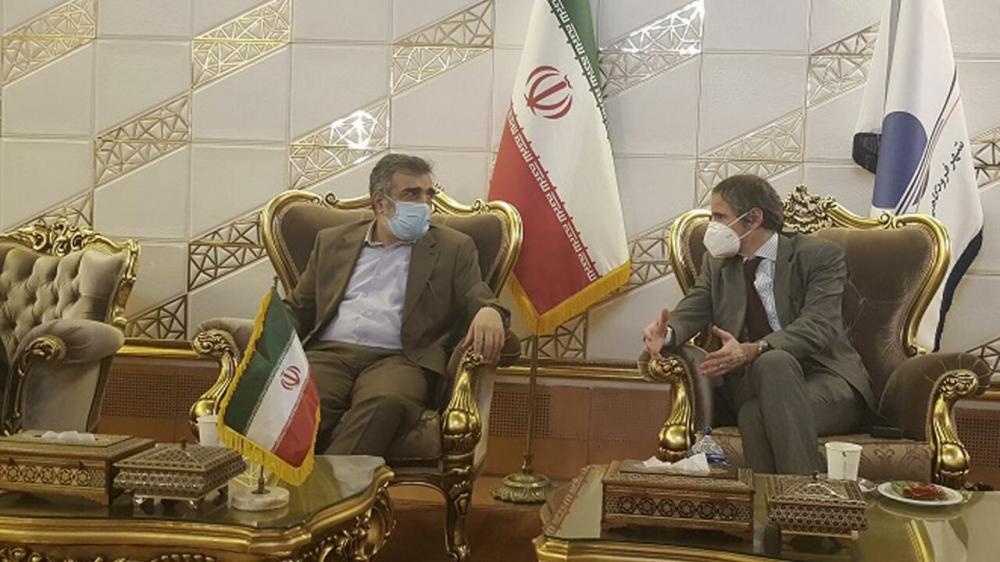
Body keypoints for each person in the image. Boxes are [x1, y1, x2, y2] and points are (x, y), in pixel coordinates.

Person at [642, 174, 876, 474]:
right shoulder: (717, 264)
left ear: (753, 219)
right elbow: (695, 305)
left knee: (763, 390)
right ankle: (796, 497)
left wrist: (755, 349)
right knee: (758, 401)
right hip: (755, 385)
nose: (711, 226)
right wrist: (667, 332)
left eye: (719, 217)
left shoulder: (818, 256)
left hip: (827, 383)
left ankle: (785, 497)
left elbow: (818, 326)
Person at [286, 153, 512, 455]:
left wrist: (490, 311)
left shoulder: (453, 248)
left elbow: (476, 293)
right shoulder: (332, 241)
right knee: (294, 398)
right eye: (412, 194)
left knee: (384, 402)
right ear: (381, 203)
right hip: (329, 354)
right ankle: (307, 483)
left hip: (401, 359)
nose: (424, 204)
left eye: (428, 194)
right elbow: (298, 307)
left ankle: (329, 485)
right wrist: (265, 337)